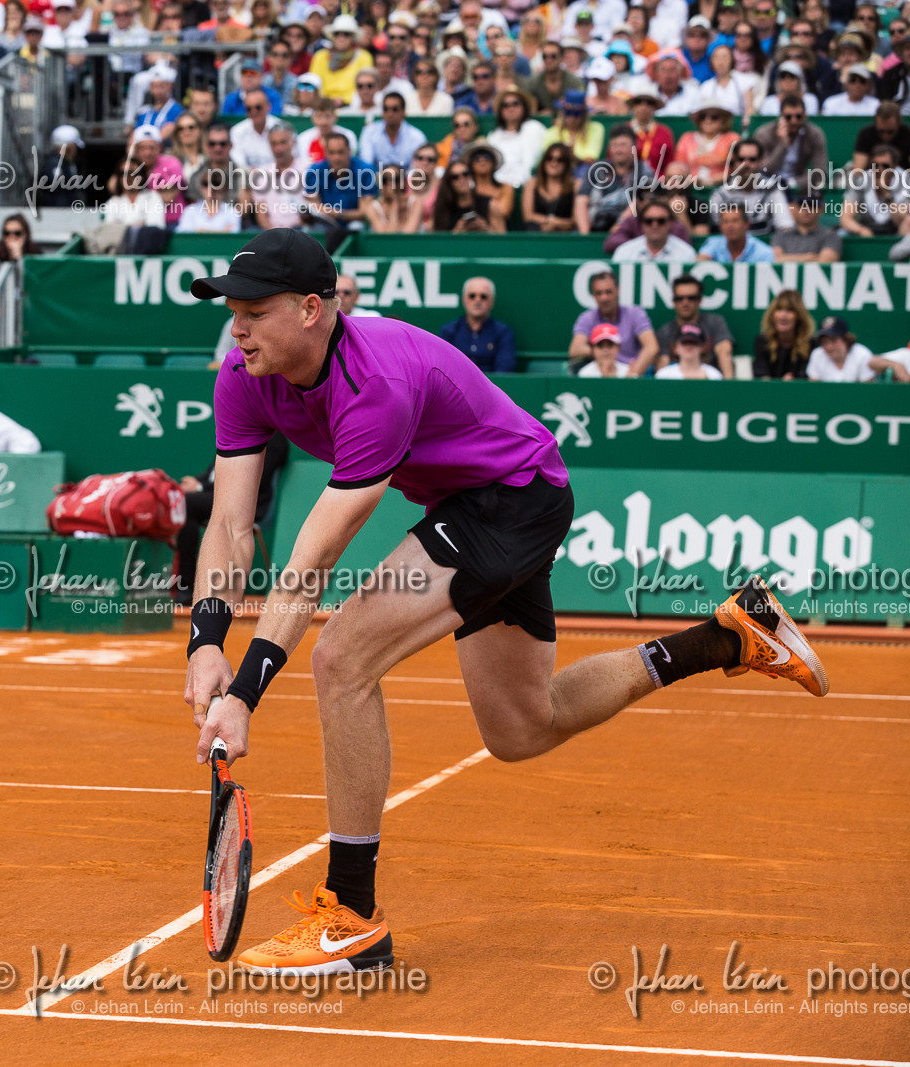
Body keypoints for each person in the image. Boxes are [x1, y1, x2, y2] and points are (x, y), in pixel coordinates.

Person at [182, 227, 827, 977]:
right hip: (474, 501)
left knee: (343, 657)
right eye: (232, 308)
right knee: (523, 726)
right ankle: (726, 637)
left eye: (254, 310)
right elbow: (230, 524)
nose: (237, 326)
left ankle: (353, 914)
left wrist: (247, 693)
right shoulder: (242, 375)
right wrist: (205, 640)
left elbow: (311, 559)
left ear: (312, 310)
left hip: (513, 498)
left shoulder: (374, 385)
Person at [172, 431, 290, 606]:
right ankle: (185, 589)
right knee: (181, 502)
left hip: (248, 503)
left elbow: (256, 480)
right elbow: (212, 473)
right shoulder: (236, 430)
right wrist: (194, 484)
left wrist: (199, 487)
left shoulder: (274, 439)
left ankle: (187, 588)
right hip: (217, 496)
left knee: (187, 504)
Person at [569, 269, 658, 375]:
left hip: (630, 371)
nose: (604, 298)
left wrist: (631, 376)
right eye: (599, 293)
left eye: (608, 292)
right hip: (599, 373)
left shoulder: (635, 313)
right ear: (593, 295)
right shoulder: (587, 318)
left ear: (617, 290)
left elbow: (651, 346)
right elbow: (575, 349)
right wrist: (604, 352)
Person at [576, 126, 655, 235]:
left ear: (634, 147)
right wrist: (586, 236)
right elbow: (581, 200)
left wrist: (618, 228)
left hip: (628, 231)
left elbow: (639, 202)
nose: (618, 150)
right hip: (594, 226)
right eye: (615, 145)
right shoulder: (597, 168)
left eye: (623, 145)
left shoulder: (643, 170)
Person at [654, 274, 735, 378]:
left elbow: (724, 351)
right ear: (673, 301)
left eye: (691, 298)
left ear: (699, 300)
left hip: (711, 382)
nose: (685, 302)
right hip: (675, 383)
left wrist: (727, 387)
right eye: (680, 298)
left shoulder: (714, 322)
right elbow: (662, 362)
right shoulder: (665, 331)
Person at [841, 145, 910, 259]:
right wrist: (861, 230)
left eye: (885, 166)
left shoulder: (905, 183)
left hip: (895, 232)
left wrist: (887, 194)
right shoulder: (860, 182)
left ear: (894, 166)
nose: (879, 169)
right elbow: (845, 219)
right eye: (875, 165)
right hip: (866, 229)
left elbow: (901, 221)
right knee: (840, 234)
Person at [436, 277, 516, 374]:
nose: (477, 300)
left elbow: (504, 370)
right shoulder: (449, 331)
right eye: (472, 296)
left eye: (483, 296)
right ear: (464, 299)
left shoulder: (503, 332)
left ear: (492, 301)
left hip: (490, 387)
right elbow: (444, 368)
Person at [753, 95, 829, 196]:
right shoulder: (764, 134)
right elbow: (763, 169)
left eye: (798, 116)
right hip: (766, 186)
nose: (794, 121)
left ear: (805, 116)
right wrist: (783, 145)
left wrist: (791, 183)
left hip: (798, 187)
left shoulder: (814, 134)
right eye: (788, 117)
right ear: (781, 117)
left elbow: (820, 171)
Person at [807, 315, 909, 382]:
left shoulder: (861, 354)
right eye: (824, 342)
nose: (829, 347)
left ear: (846, 340)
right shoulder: (817, 354)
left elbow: (866, 391)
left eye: (834, 340)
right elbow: (814, 388)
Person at [486, 88, 545, 187]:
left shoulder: (534, 128)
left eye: (516, 103)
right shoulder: (494, 135)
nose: (511, 108)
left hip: (526, 184)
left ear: (524, 106)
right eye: (505, 105)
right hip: (498, 185)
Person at [753, 290, 815, 380]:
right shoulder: (762, 341)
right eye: (779, 309)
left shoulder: (811, 343)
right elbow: (762, 375)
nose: (783, 315)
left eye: (789, 310)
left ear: (799, 315)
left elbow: (809, 379)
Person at [612, 199, 698, 261]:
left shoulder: (686, 254)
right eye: (649, 221)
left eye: (661, 221)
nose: (655, 225)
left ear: (671, 223)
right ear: (642, 223)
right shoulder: (625, 252)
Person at [359, 92, 426, 169]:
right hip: (377, 178)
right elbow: (366, 163)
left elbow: (415, 170)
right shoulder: (369, 132)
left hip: (406, 179)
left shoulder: (416, 136)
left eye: (395, 109)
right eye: (386, 109)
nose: (390, 113)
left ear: (404, 112)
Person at [522, 144, 576, 232]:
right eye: (549, 158)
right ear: (543, 161)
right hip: (537, 232)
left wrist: (556, 225)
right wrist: (549, 222)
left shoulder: (575, 184)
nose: (554, 163)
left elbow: (575, 220)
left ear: (566, 164)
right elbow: (528, 216)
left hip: (566, 233)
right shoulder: (532, 183)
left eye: (560, 160)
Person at [699, 202, 776, 263]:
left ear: (747, 224)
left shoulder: (763, 253)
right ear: (720, 226)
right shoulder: (712, 244)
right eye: (725, 222)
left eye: (735, 221)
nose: (730, 226)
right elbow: (699, 262)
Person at [774, 196, 842, 263]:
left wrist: (788, 258)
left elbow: (825, 262)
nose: (806, 211)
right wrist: (806, 257)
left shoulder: (830, 235)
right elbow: (775, 260)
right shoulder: (782, 235)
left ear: (820, 209)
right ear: (794, 208)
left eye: (812, 206)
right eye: (802, 206)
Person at [654, 323, 724, 380]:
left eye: (693, 343)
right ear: (675, 348)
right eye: (684, 343)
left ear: (702, 348)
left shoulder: (714, 375)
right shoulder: (664, 375)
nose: (689, 346)